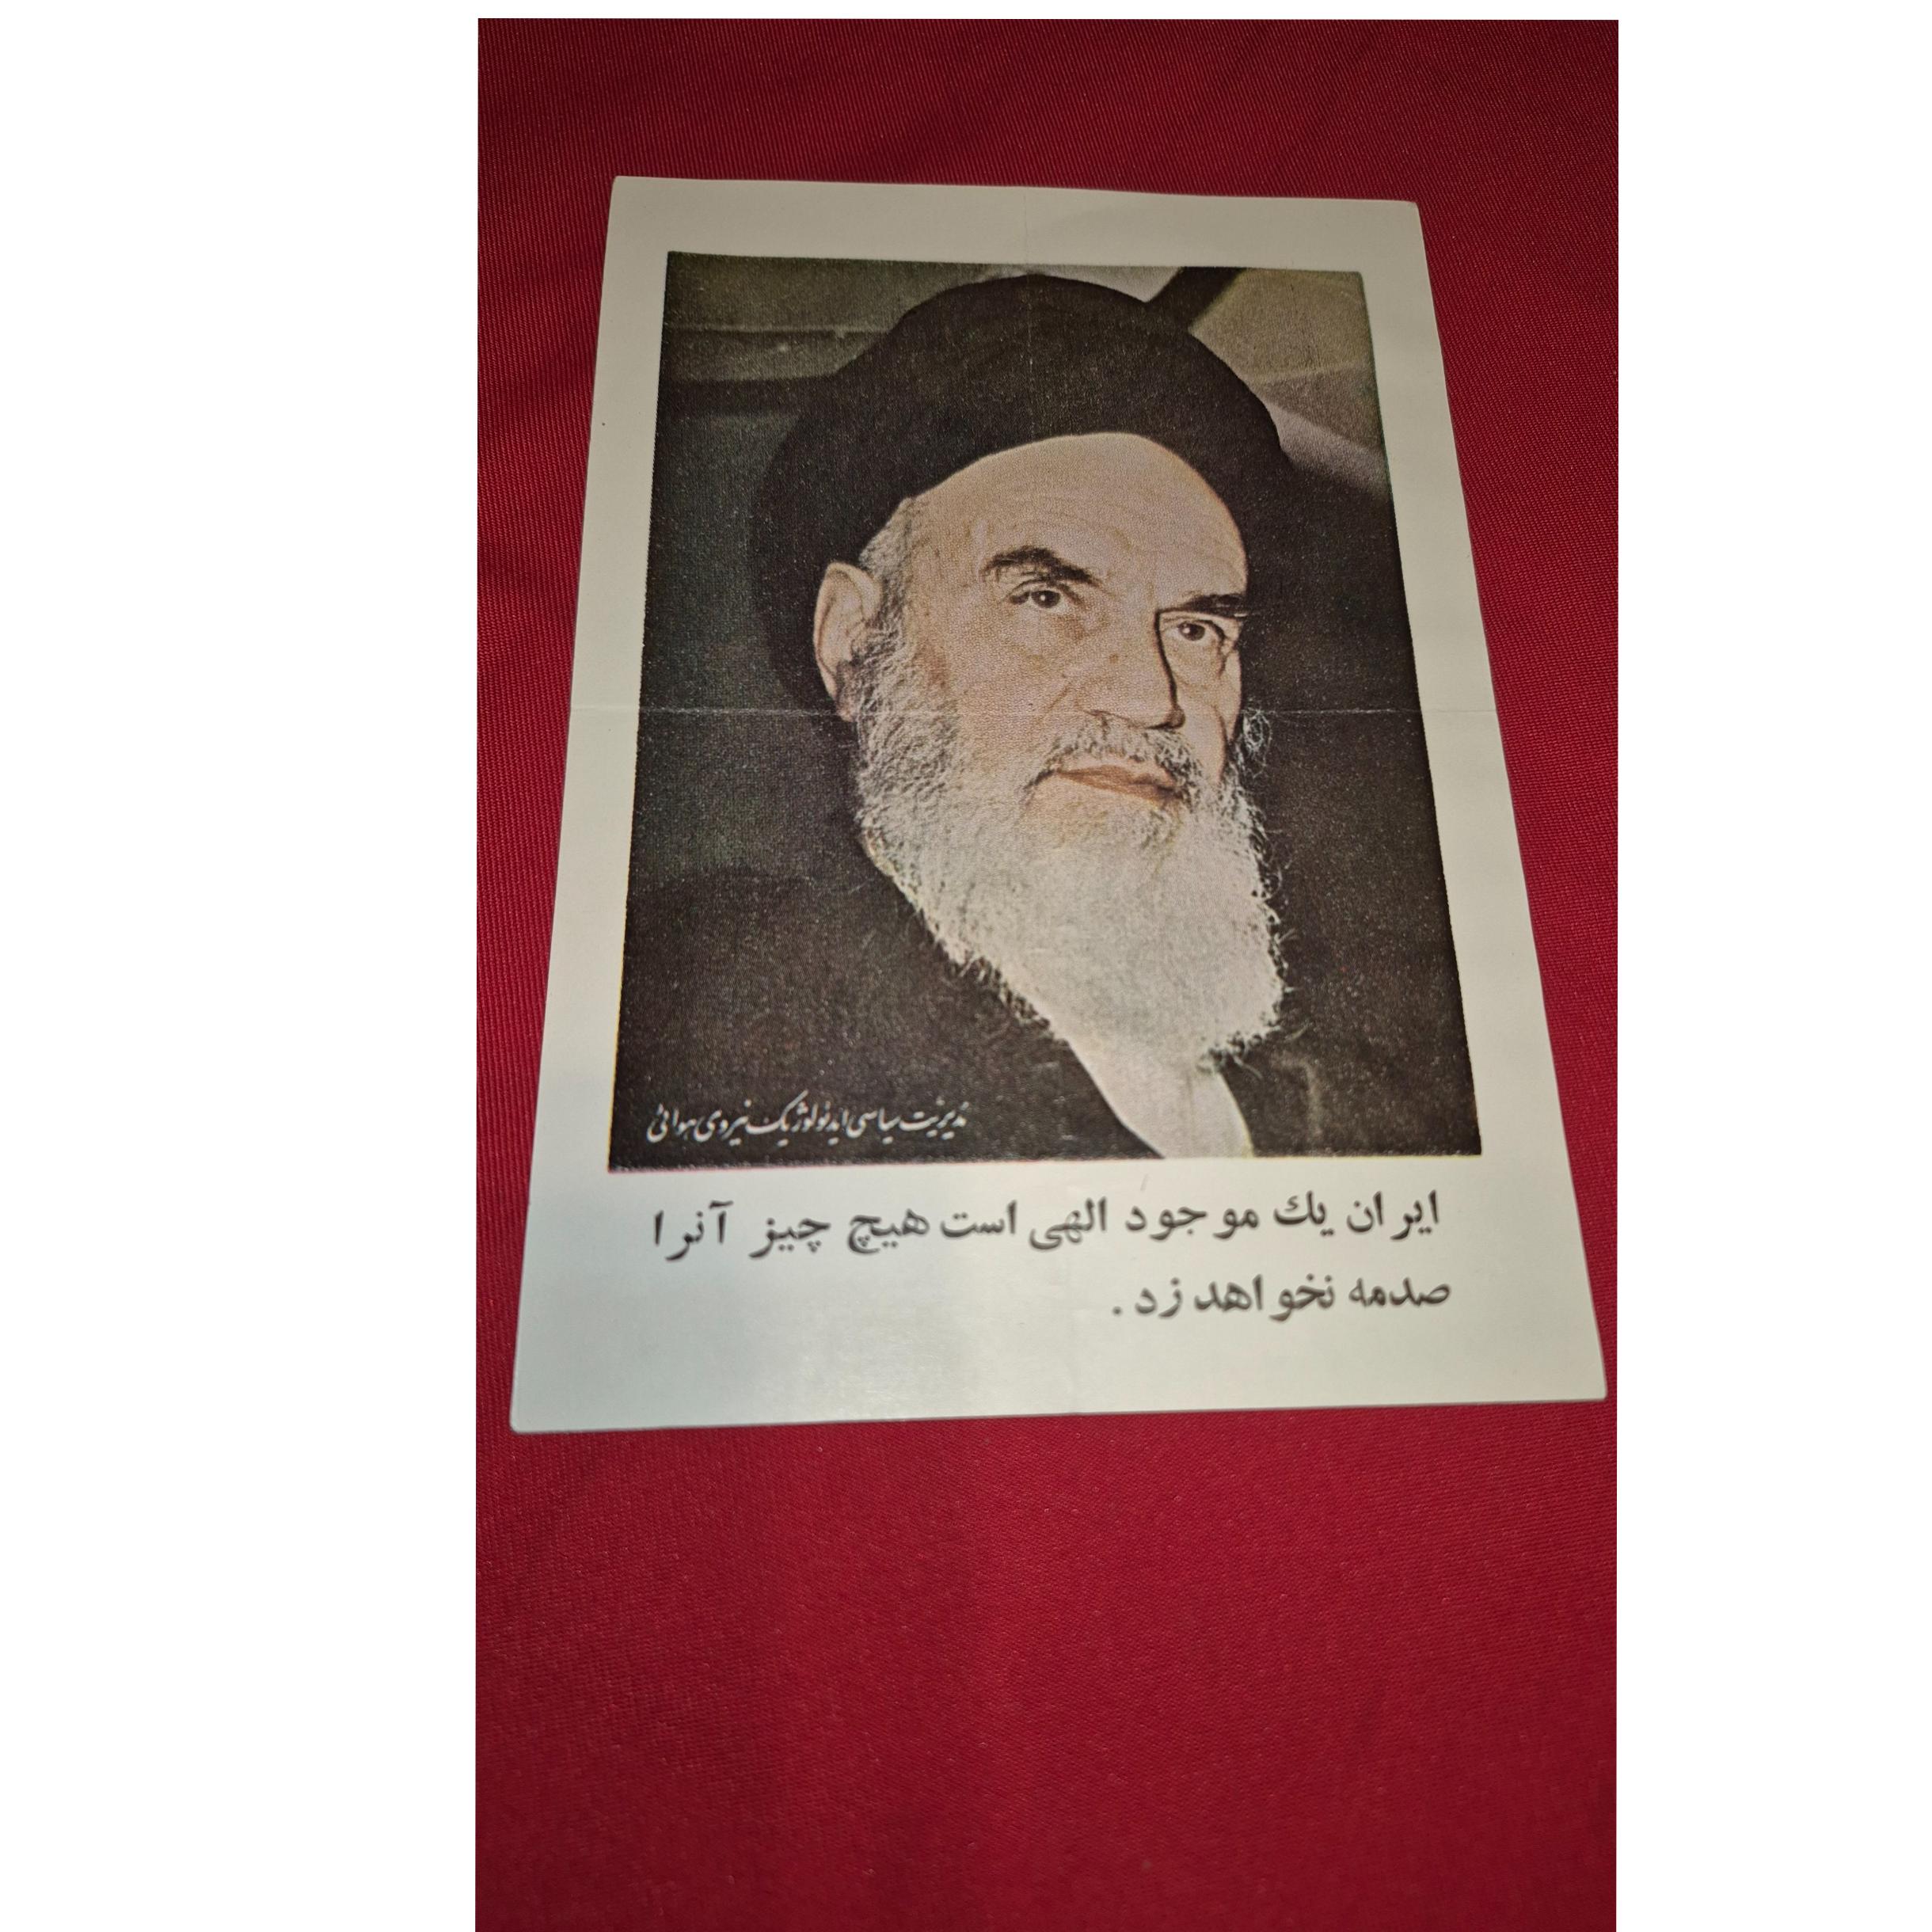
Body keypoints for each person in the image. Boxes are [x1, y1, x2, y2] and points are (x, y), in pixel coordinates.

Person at [610, 273, 1456, 1167]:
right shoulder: (702, 1005)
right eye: (1048, 598)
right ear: (854, 641)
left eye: (1196, 629)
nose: (1153, 698)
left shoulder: (1355, 1094)